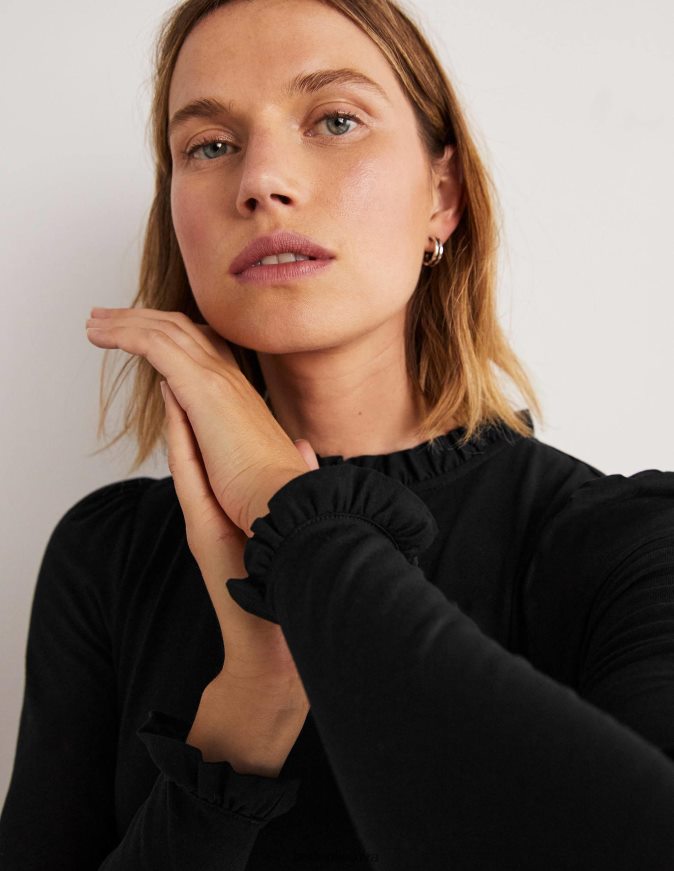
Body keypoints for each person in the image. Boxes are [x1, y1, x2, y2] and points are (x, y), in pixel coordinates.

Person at [1, 0, 673, 868]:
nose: (261, 180)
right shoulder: (108, 556)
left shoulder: (630, 543)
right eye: (210, 144)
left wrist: (288, 513)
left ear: (442, 196)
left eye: (335, 120)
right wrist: (251, 707)